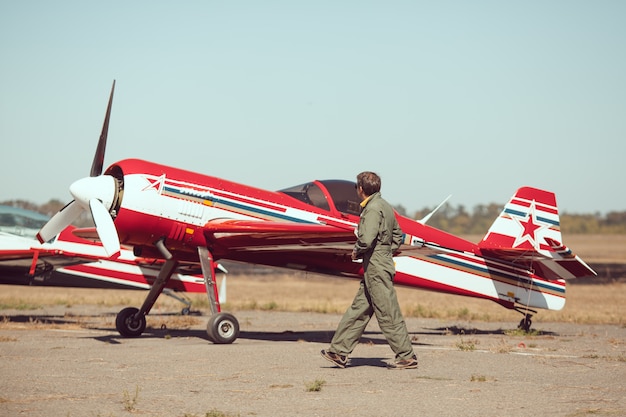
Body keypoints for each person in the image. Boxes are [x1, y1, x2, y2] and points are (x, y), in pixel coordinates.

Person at [321, 171, 418, 370]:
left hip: (375, 265)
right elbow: (398, 234)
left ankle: (406, 356)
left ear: (361, 189)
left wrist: (357, 250)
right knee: (359, 310)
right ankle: (338, 352)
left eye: (357, 187)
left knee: (387, 311)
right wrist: (386, 251)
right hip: (378, 262)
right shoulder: (385, 206)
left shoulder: (372, 208)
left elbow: (366, 238)